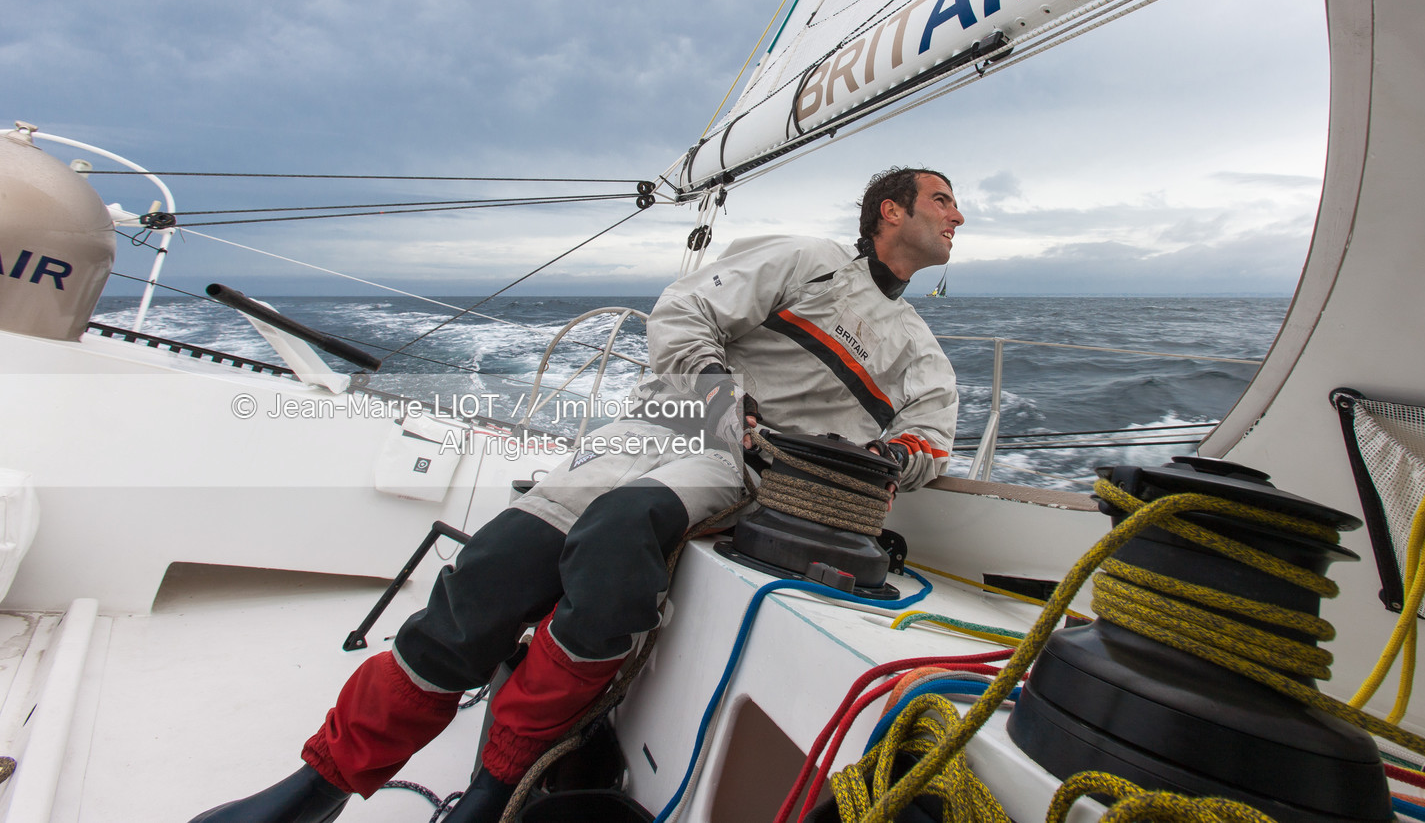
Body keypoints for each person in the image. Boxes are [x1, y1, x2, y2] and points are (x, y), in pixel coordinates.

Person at [187, 167, 964, 823]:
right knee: (495, 565)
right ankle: (323, 781)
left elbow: (928, 440)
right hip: (669, 420)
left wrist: (890, 458)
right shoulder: (805, 261)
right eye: (942, 200)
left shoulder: (920, 352)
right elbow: (686, 312)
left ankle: (495, 788)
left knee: (620, 534)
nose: (957, 217)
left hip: (744, 469)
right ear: (889, 212)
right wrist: (719, 396)